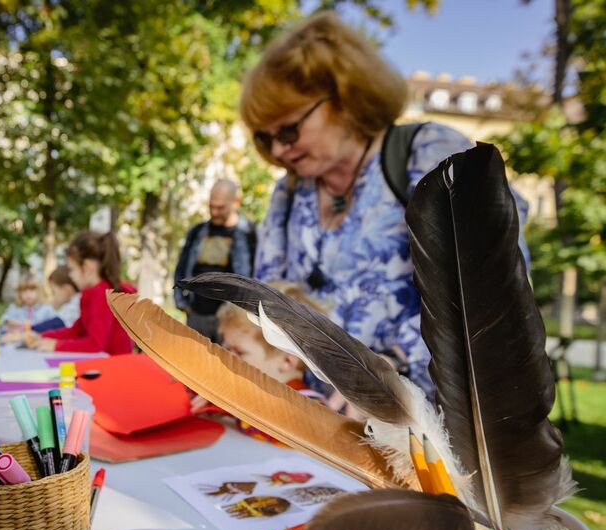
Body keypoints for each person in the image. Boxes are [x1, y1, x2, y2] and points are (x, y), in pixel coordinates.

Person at [240, 12, 530, 396]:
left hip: (427, 421)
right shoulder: (289, 191)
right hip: (314, 416)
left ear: (342, 98)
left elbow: (491, 297)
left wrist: (390, 371)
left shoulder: (430, 155)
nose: (278, 149)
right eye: (265, 139)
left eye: (289, 130)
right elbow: (269, 303)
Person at [191, 289, 326, 443]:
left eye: (240, 353)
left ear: (287, 362)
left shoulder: (311, 410)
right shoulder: (251, 393)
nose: (227, 358)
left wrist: (232, 407)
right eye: (227, 348)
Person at [24, 231, 135, 354]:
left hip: (116, 366)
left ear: (87, 267)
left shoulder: (104, 295)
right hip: (102, 362)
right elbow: (77, 331)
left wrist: (56, 346)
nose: (70, 276)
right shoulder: (90, 294)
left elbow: (94, 344)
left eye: (72, 269)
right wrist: (43, 336)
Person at [174, 179, 256, 342]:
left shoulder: (250, 235)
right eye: (211, 206)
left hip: (232, 320)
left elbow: (256, 277)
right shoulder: (197, 232)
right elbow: (181, 269)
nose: (214, 212)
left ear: (236, 202)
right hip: (197, 316)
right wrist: (182, 303)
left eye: (220, 207)